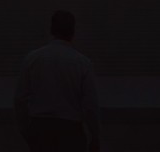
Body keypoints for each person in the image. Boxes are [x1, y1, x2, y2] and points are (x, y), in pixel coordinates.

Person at [15, 10, 101, 152]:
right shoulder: (82, 63)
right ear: (72, 32)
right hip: (71, 131)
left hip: (40, 129)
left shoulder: (32, 59)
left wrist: (25, 129)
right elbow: (90, 105)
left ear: (51, 30)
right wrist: (95, 136)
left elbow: (20, 99)